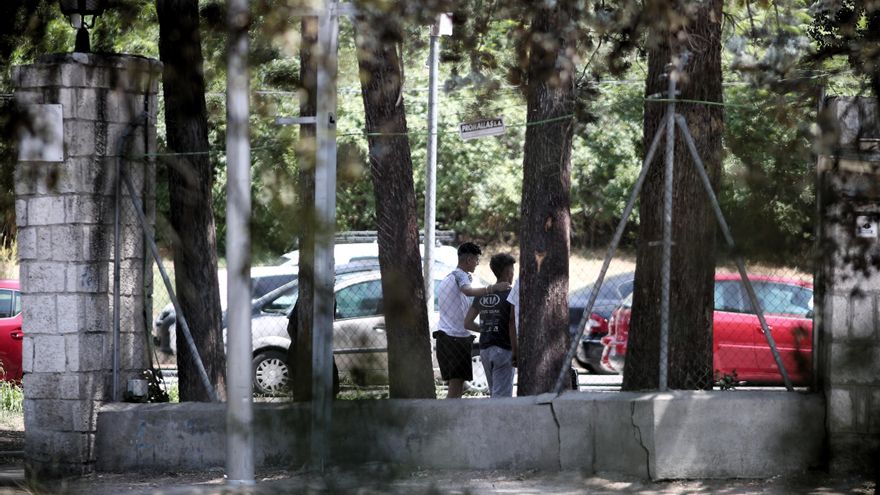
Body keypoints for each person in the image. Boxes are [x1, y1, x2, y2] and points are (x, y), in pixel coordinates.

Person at [436, 242, 511, 399]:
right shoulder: (460, 275)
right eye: (476, 260)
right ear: (469, 259)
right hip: (454, 338)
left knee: (456, 386)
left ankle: (453, 417)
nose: (477, 264)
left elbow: (468, 319)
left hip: (449, 337)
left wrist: (486, 329)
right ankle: (448, 419)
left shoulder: (449, 277)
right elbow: (469, 291)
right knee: (455, 386)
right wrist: (493, 288)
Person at [464, 253, 517, 397]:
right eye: (512, 269)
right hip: (504, 349)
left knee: (494, 392)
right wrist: (516, 350)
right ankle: (496, 419)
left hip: (485, 349)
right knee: (502, 397)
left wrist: (487, 328)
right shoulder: (511, 294)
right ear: (507, 272)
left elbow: (467, 322)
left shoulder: (483, 293)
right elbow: (512, 322)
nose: (513, 273)